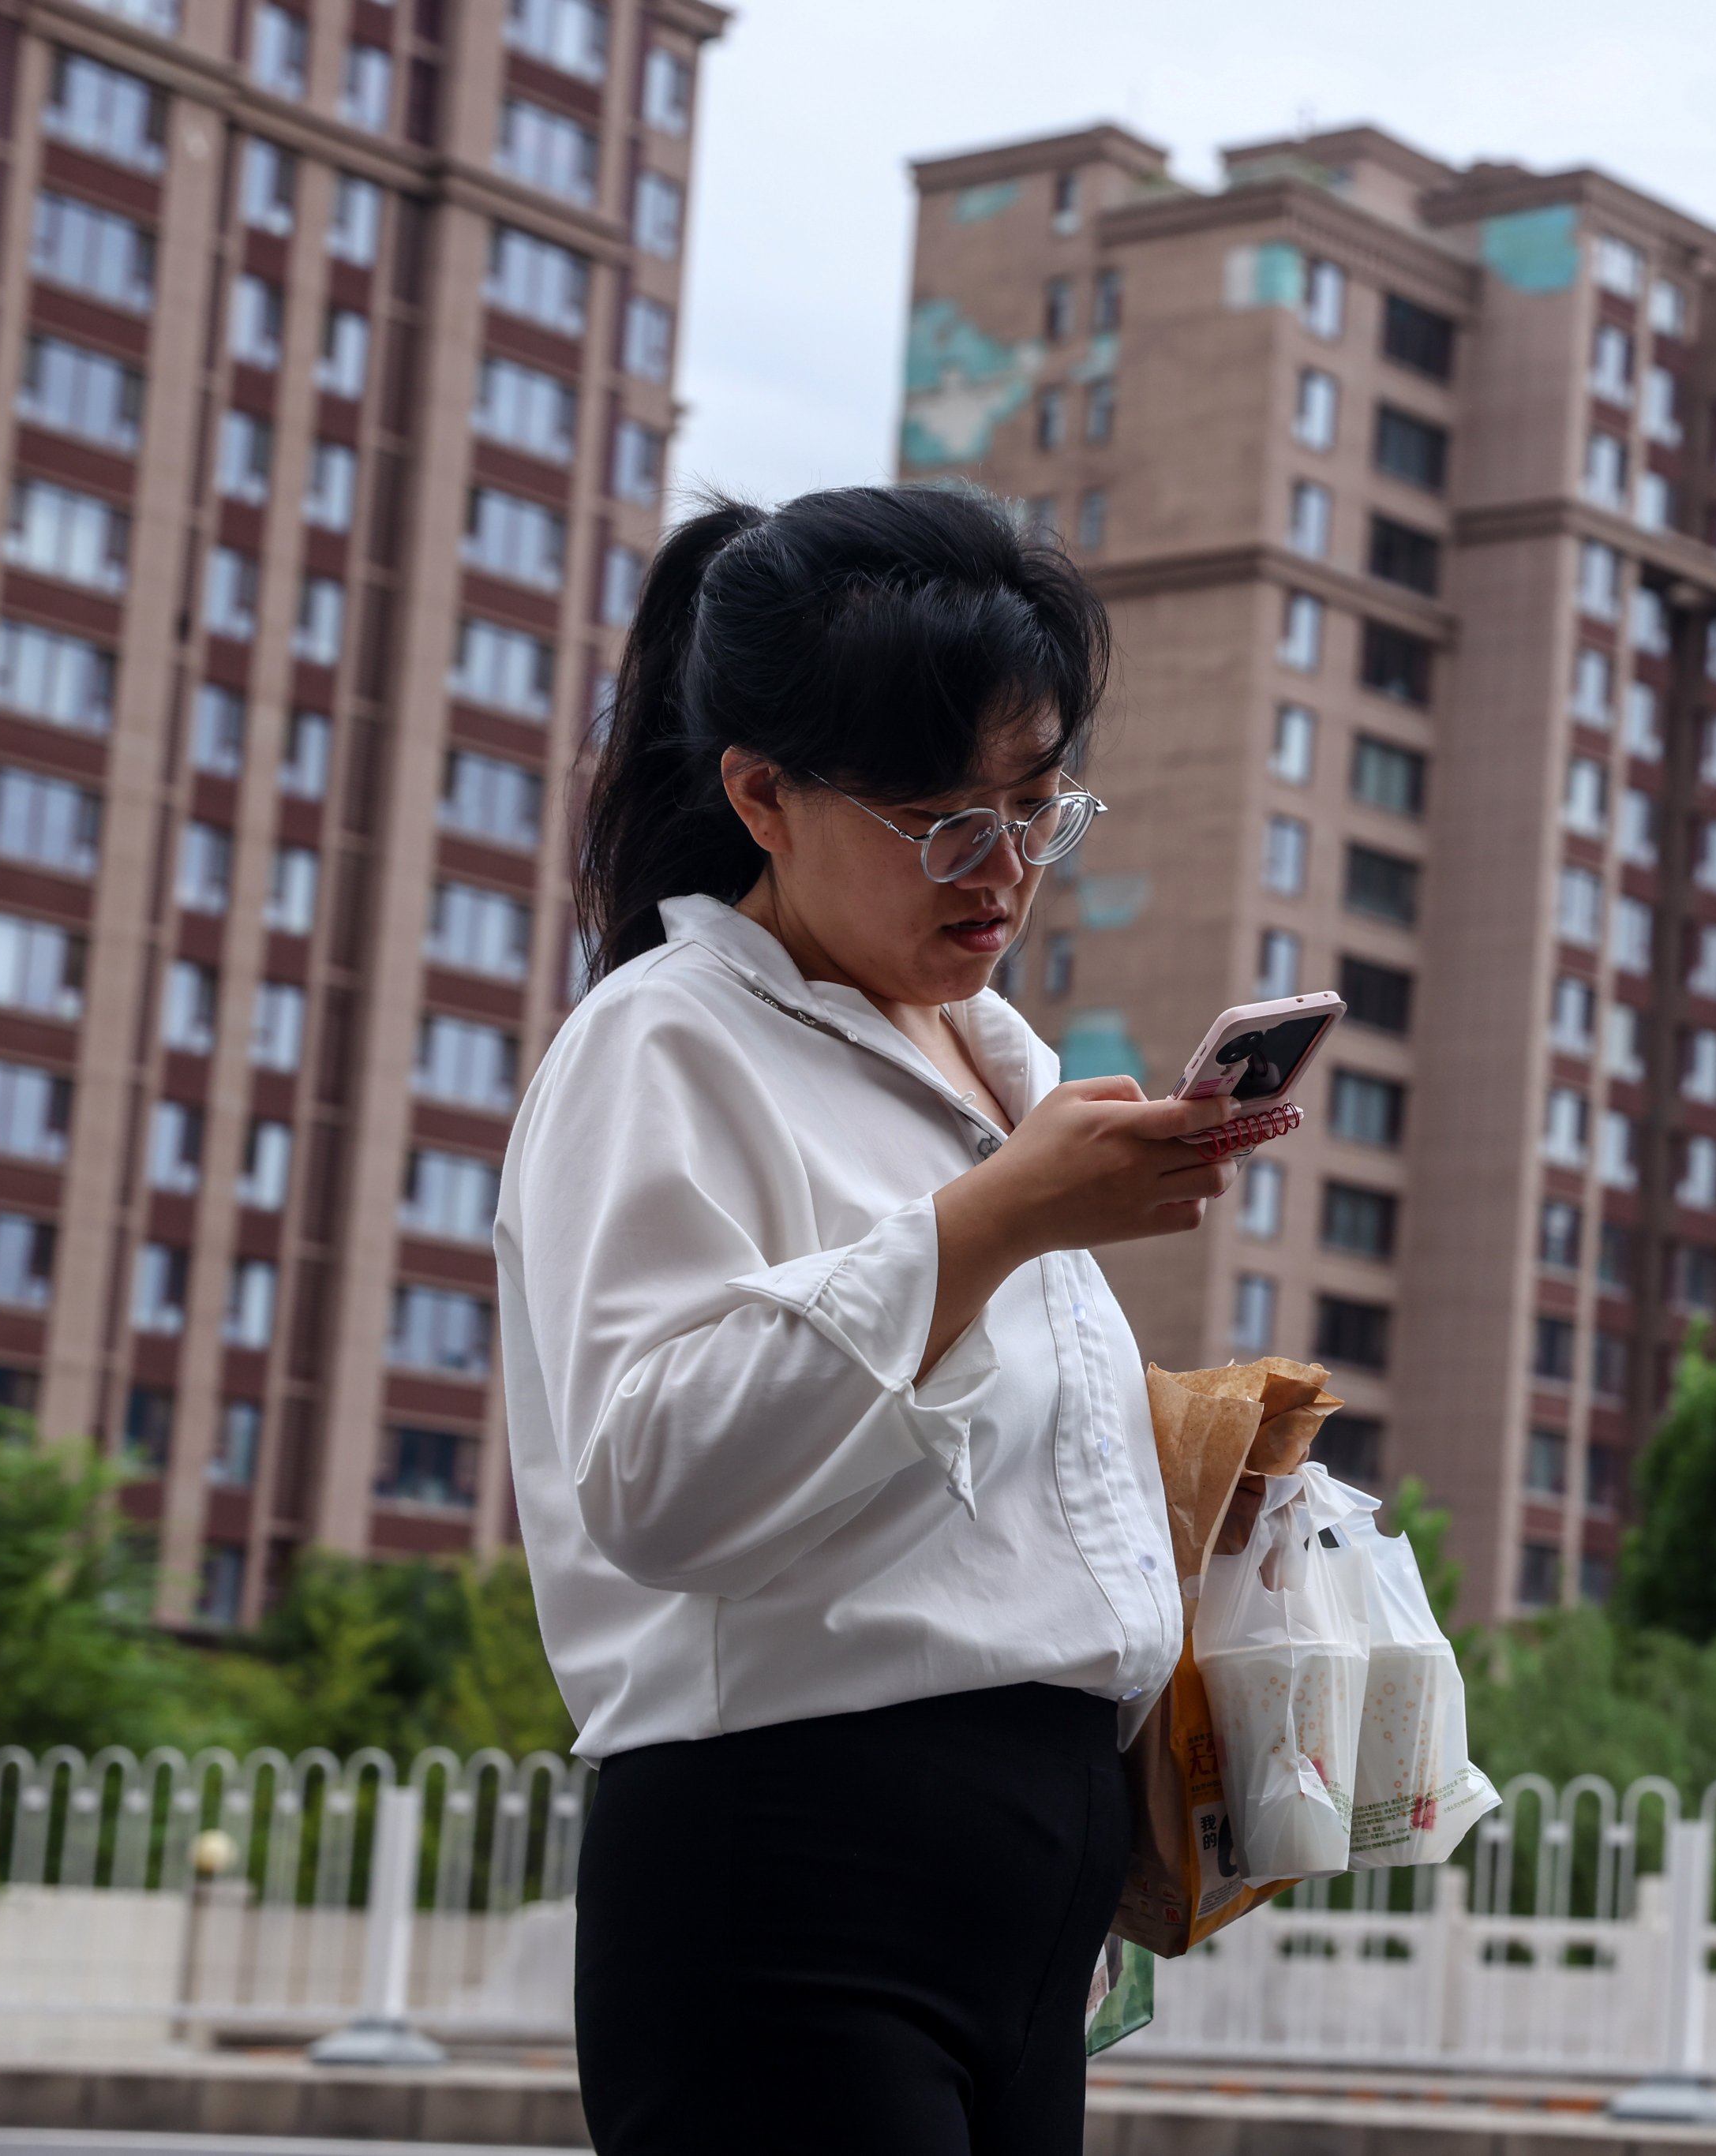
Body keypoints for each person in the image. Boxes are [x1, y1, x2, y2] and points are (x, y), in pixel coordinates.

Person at [496, 486, 1236, 2154]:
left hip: (1023, 1897)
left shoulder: (982, 1056)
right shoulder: (662, 1042)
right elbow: (659, 1475)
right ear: (759, 791)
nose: (1002, 870)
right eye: (935, 819)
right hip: (791, 1870)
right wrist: (989, 1224)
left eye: (1038, 804)